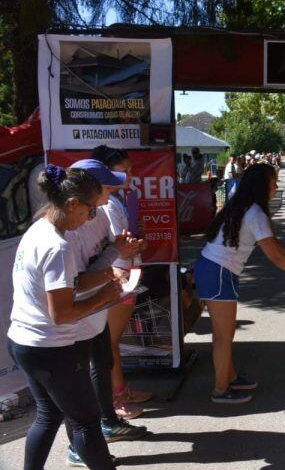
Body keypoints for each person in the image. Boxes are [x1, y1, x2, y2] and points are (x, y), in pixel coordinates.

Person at [7, 164, 121, 470]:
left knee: (49, 415)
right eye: (91, 211)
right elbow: (62, 314)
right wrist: (105, 297)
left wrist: (105, 277)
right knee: (86, 421)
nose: (92, 218)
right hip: (51, 348)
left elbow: (67, 285)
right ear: (72, 204)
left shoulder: (39, 229)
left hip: (24, 341)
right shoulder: (58, 246)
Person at [194, 163, 285, 404]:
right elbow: (273, 255)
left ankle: (229, 377)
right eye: (274, 182)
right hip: (218, 272)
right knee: (223, 336)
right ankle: (221, 390)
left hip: (215, 270)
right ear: (262, 185)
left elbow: (270, 242)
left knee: (225, 333)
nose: (276, 186)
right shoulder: (255, 213)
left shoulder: (243, 205)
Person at [63, 159, 147, 466]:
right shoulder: (66, 229)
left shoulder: (97, 214)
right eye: (108, 184)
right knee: (70, 392)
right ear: (88, 191)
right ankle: (79, 445)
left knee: (101, 361)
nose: (114, 188)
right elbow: (74, 282)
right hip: (76, 315)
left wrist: (118, 251)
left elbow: (102, 255)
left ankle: (105, 424)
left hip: (96, 307)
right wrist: (112, 272)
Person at [89, 147, 154, 410]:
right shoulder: (107, 204)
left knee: (114, 340)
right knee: (110, 341)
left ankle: (120, 390)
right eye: (123, 170)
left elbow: (129, 241)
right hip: (117, 275)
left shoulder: (119, 199)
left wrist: (139, 243)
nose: (129, 175)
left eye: (131, 170)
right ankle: (115, 399)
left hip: (129, 272)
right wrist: (135, 245)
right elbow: (120, 243)